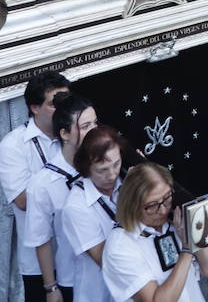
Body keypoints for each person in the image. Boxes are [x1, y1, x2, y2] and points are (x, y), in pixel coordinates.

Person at [0, 70, 72, 300]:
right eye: (54, 104)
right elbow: (23, 201)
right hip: (41, 263)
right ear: (34, 108)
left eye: (67, 102)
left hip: (81, 249)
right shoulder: (13, 147)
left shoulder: (79, 133)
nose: (63, 110)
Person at [102, 162, 208, 302]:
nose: (163, 210)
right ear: (132, 205)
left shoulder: (175, 219)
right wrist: (187, 249)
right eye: (152, 205)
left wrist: (195, 230)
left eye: (167, 197)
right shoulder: (119, 247)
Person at [24, 92, 99, 302]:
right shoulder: (42, 184)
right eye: (85, 127)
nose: (94, 131)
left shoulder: (106, 164)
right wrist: (50, 287)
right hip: (74, 276)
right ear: (65, 134)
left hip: (112, 269)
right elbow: (42, 240)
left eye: (95, 123)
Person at [62, 126, 127, 302]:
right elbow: (105, 260)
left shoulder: (127, 181)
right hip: (98, 293)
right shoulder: (76, 206)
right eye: (102, 170)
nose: (113, 174)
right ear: (86, 167)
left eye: (116, 164)